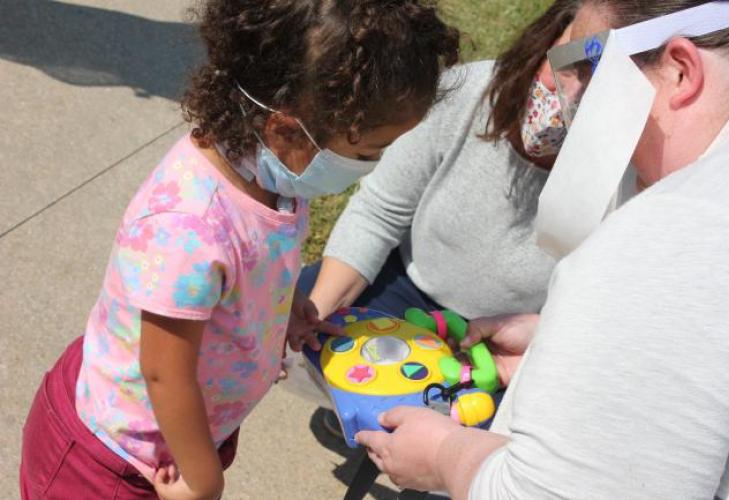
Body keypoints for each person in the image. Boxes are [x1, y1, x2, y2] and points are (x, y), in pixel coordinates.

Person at [18, 1, 460, 499]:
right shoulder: (189, 227)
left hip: (181, 438)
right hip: (113, 461)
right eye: (367, 151)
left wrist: (280, 308)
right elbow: (164, 371)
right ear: (286, 128)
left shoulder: (276, 174)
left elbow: (256, 260)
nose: (375, 164)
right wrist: (205, 478)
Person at [356, 1, 729, 499]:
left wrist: (442, 456)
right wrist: (557, 346)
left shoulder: (681, 228)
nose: (570, 99)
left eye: (585, 66)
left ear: (679, 70)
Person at [283, 1, 580, 411]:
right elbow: (380, 213)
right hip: (402, 284)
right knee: (296, 314)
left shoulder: (638, 180)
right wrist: (317, 313)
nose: (572, 93)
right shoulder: (467, 92)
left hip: (509, 341)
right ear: (542, 42)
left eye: (599, 80)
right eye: (570, 64)